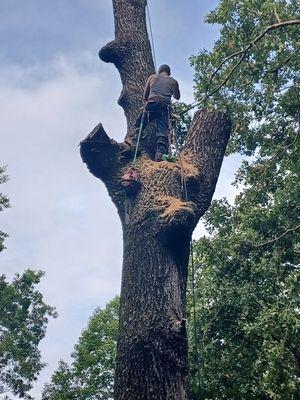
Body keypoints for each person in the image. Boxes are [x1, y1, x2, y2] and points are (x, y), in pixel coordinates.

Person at [133, 64, 180, 161]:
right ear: (169, 73)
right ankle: (160, 153)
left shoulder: (152, 77)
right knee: (162, 132)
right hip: (164, 107)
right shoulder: (174, 81)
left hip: (152, 104)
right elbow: (177, 97)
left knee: (138, 125)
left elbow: (145, 97)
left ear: (159, 71)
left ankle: (136, 143)